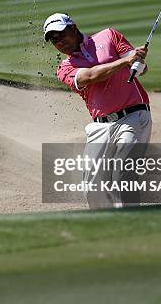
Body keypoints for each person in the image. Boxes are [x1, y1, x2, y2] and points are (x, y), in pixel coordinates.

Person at [44, 13, 152, 209]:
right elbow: (91, 76)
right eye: (53, 39)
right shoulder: (64, 68)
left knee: (123, 173)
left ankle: (134, 223)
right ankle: (110, 226)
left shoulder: (109, 36)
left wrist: (139, 61)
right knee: (92, 189)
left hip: (134, 116)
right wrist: (125, 62)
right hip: (100, 126)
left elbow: (139, 67)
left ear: (74, 28)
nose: (58, 42)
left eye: (60, 34)